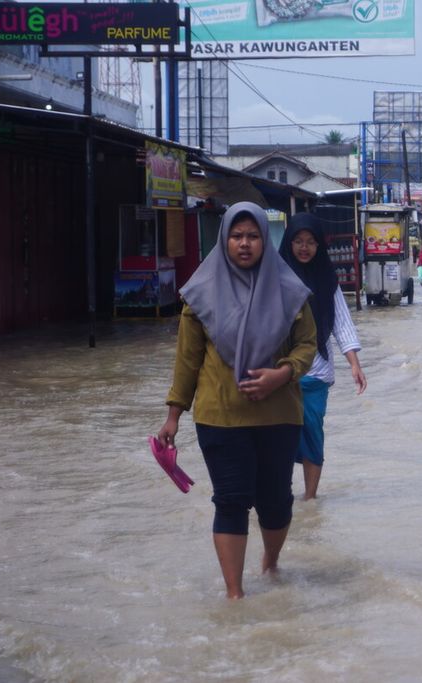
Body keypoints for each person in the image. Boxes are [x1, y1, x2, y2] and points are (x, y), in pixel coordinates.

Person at [156, 202, 317, 600]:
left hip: (279, 415)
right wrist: (173, 415)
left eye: (253, 236)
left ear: (265, 239)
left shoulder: (290, 291)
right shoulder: (200, 293)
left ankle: (270, 563)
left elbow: (308, 345)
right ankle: (235, 595)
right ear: (224, 239)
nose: (244, 244)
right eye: (236, 235)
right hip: (220, 416)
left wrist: (281, 375)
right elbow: (187, 360)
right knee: (230, 500)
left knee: (276, 501)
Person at [279, 213, 368, 500]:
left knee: (313, 435)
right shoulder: (274, 279)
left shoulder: (327, 280)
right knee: (277, 438)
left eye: (311, 242)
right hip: (279, 375)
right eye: (298, 241)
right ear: (289, 243)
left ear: (319, 246)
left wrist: (354, 364)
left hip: (316, 373)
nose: (304, 248)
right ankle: (279, 496)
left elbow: (341, 323)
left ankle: (310, 499)